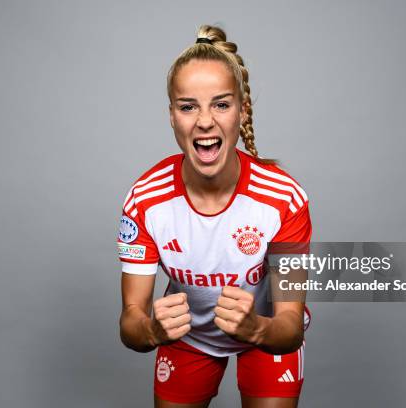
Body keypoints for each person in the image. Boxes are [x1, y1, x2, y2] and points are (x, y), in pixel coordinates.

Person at [117, 24, 312, 408]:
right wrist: (153, 330)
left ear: (242, 111)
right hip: (187, 340)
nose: (205, 121)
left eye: (221, 104)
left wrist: (256, 328)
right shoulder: (144, 200)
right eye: (188, 106)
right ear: (172, 116)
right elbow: (130, 323)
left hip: (265, 334)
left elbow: (289, 327)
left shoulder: (283, 198)